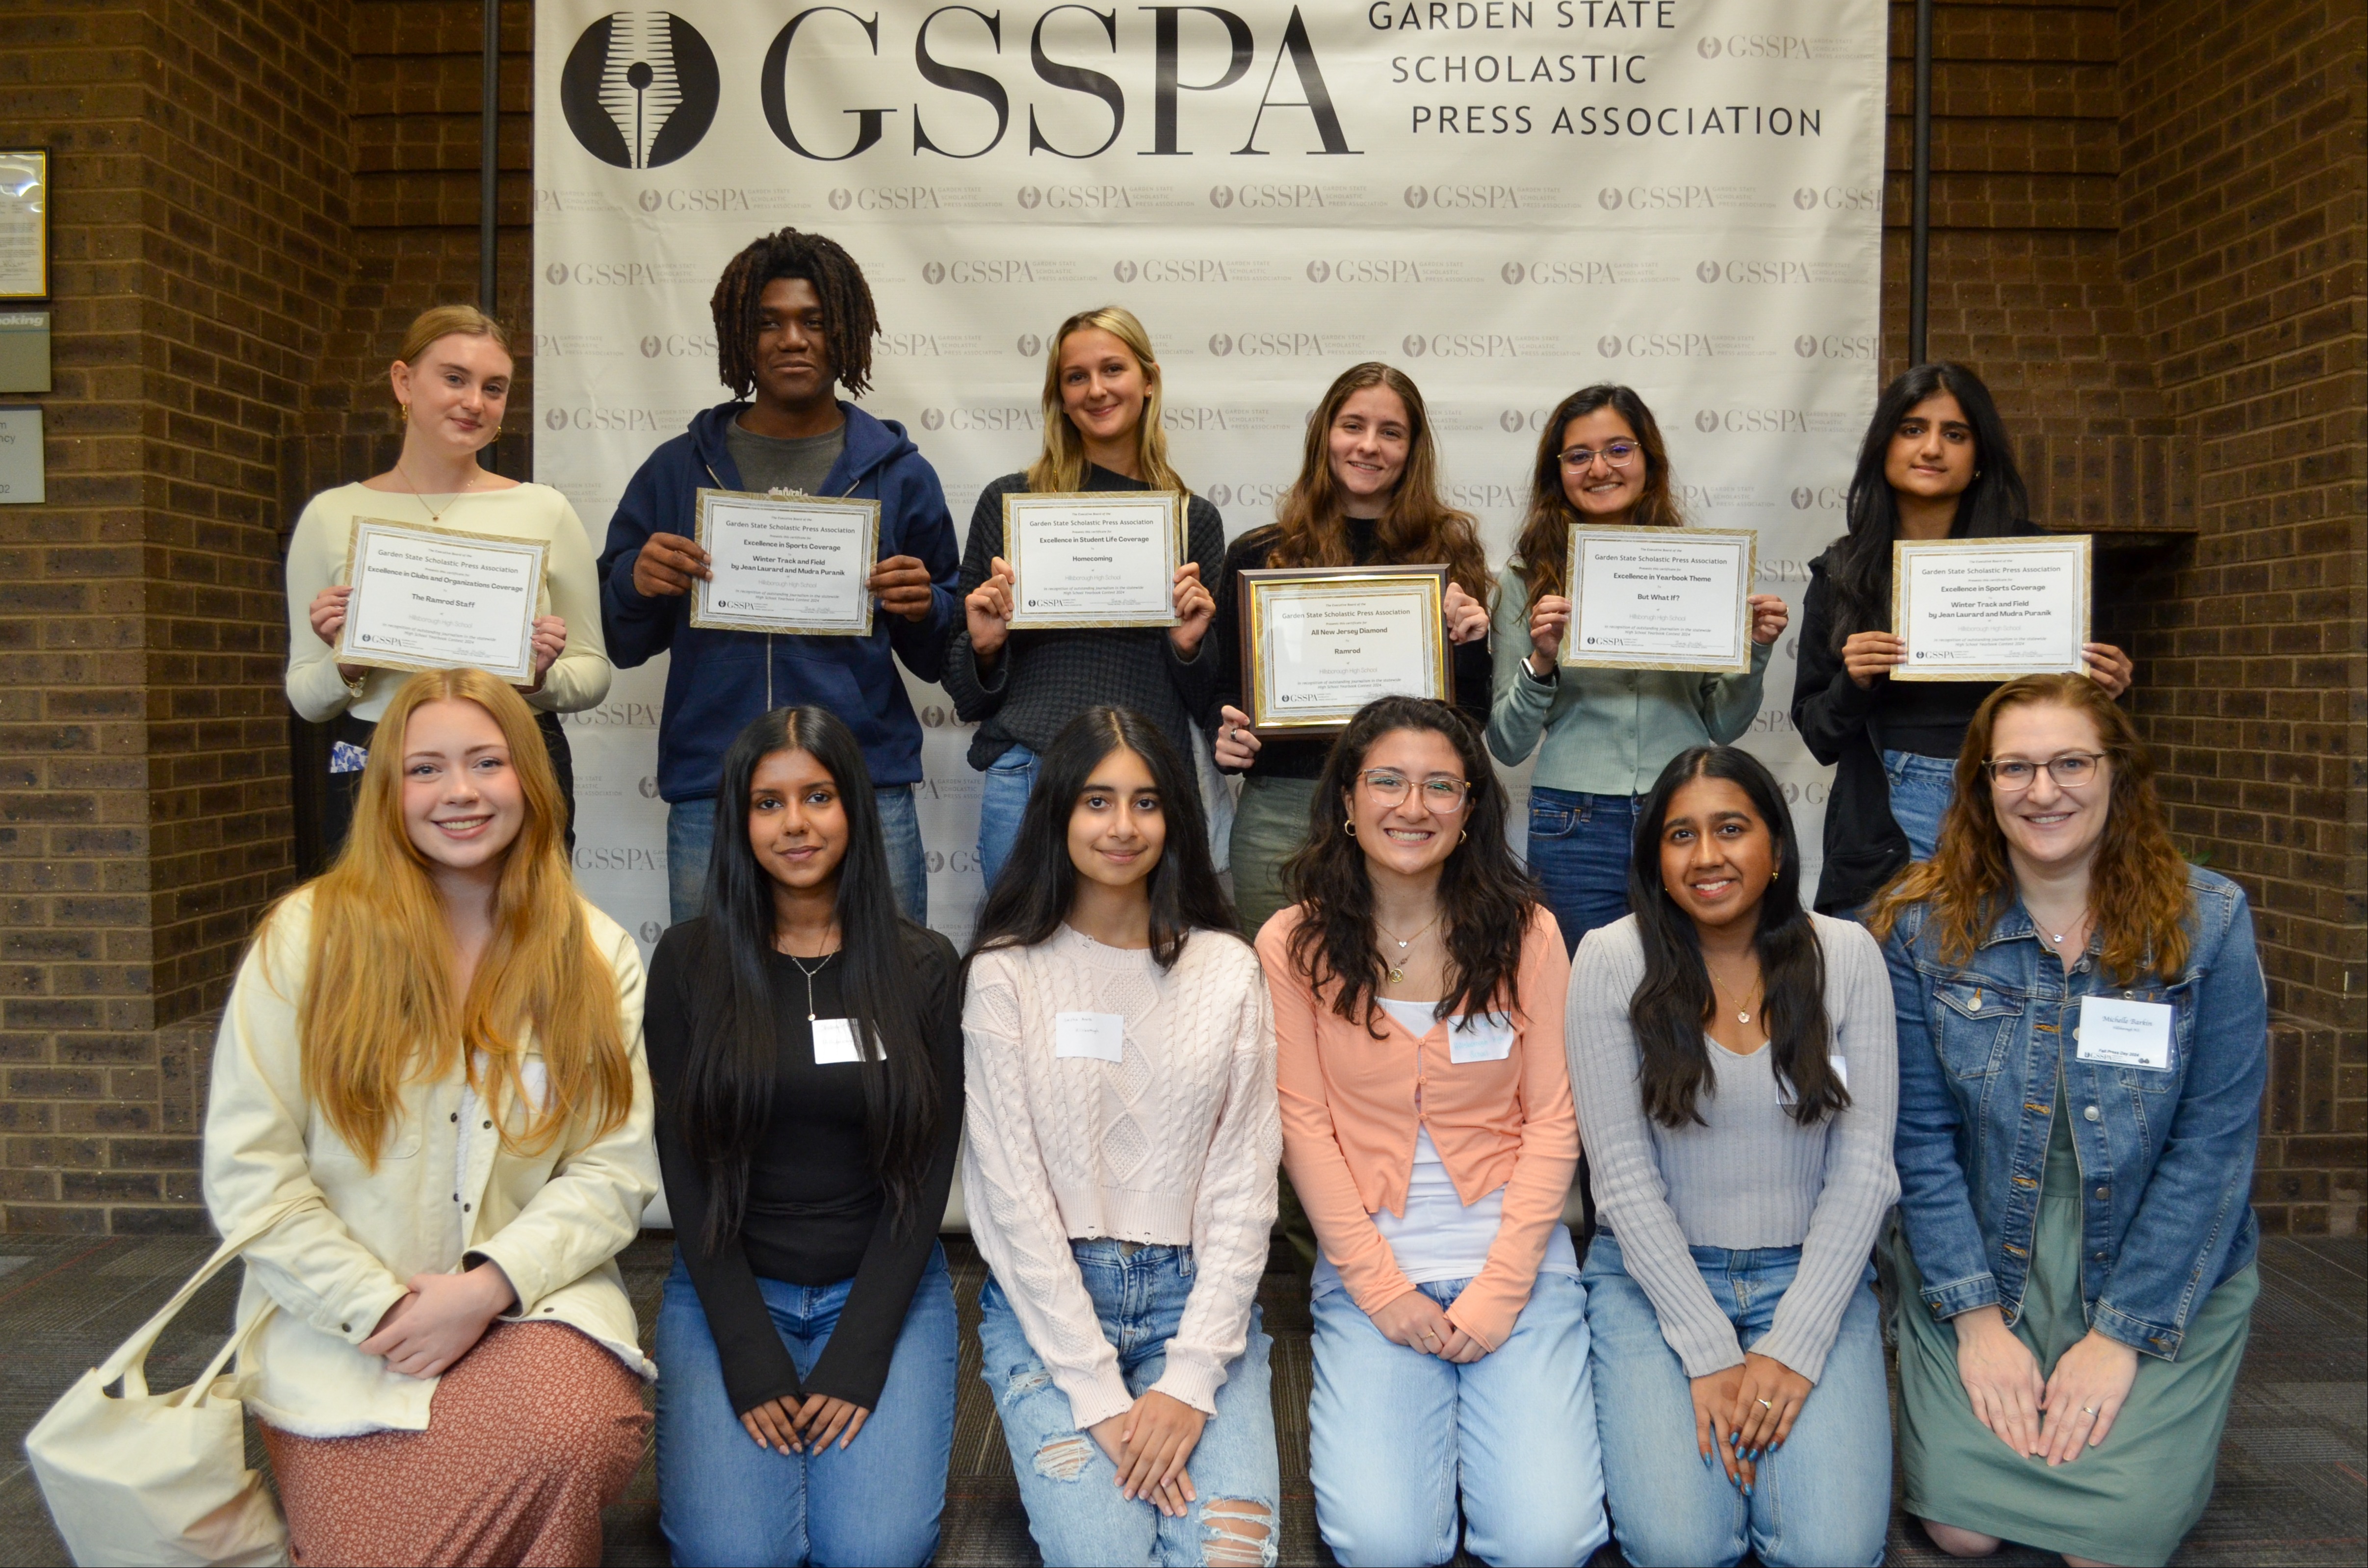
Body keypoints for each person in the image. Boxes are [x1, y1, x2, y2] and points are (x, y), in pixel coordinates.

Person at [202, 668, 656, 1567]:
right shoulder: (305, 938)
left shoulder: (596, 953)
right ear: (386, 790)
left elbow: (611, 1172)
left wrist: (485, 1287)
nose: (459, 793)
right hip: (345, 1330)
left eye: (487, 762)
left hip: (524, 1310)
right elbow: (252, 1174)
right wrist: (378, 1307)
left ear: (530, 777)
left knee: (574, 1431)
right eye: (425, 770)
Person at [1870, 673, 2265, 1568]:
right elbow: (1919, 1146)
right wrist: (1974, 1322)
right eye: (2013, 768)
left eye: (2069, 763)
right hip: (1978, 1247)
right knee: (1960, 1533)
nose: (2042, 790)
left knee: (2109, 1545)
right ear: (1979, 786)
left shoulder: (2207, 925)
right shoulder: (1921, 927)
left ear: (2117, 773)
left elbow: (2212, 1154)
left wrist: (2120, 1336)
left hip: (2153, 1253)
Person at [1262, 695, 1607, 1568]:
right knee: (1382, 1543)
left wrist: (1500, 1288)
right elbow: (1301, 1126)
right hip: (1373, 1270)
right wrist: (1381, 1288)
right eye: (1386, 781)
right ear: (1346, 799)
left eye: (1439, 787)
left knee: (1549, 1543)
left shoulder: (1528, 933)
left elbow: (1554, 1118)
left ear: (1469, 811)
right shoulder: (1291, 942)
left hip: (1515, 1262)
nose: (1411, 807)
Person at [962, 707, 1279, 1568]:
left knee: (1229, 1555)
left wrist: (1189, 1379)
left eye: (1145, 802)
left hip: (1195, 1295)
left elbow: (1245, 1186)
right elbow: (1009, 1199)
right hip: (1051, 1304)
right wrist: (1097, 1393)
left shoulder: (1227, 968)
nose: (1122, 826)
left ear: (1174, 816)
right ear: (1058, 813)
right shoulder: (1004, 974)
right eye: (1097, 801)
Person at [646, 706, 963, 1567]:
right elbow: (685, 1167)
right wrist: (746, 1350)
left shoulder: (925, 964)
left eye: (817, 796)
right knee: (730, 1555)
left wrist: (861, 1350)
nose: (795, 824)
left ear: (855, 808)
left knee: (875, 1552)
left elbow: (929, 1170)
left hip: (885, 1291)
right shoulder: (687, 962)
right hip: (732, 1290)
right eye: (768, 802)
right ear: (739, 822)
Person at [1567, 744, 1897, 1568]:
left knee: (1832, 1553)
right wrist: (1707, 1346)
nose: (1706, 856)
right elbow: (1619, 1178)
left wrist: (1794, 1341)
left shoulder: (1847, 955)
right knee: (1681, 1546)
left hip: (1811, 1276)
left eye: (1730, 829)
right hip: (1653, 1283)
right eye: (1680, 835)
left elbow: (1863, 1171)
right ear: (1654, 859)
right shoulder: (1611, 961)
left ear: (1776, 847)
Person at [597, 228, 961, 925]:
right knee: (716, 1000)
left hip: (863, 783)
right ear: (739, 336)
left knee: (889, 991)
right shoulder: (677, 470)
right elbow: (619, 641)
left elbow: (941, 655)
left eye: (814, 322)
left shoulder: (901, 474)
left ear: (846, 334)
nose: (792, 339)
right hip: (716, 786)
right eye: (769, 322)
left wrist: (927, 607)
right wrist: (634, 584)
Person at [1791, 362, 2134, 915]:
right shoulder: (1843, 571)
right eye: (1912, 429)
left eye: (1955, 434)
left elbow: (2076, 718)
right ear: (1883, 446)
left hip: (2013, 802)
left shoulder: (2038, 562)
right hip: (1886, 824)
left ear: (1980, 457)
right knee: (1885, 995)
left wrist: (2105, 690)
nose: (1932, 448)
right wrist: (1852, 683)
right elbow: (1819, 735)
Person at [287, 305, 608, 856]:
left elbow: (593, 672)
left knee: (522, 931)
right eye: (454, 378)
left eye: (494, 387)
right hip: (374, 760)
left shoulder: (544, 509)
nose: (474, 402)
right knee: (383, 932)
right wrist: (346, 661)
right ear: (404, 381)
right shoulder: (330, 515)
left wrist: (538, 681)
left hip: (517, 753)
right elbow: (305, 697)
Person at [1487, 385, 1790, 954]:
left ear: (1648, 460)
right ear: (1559, 473)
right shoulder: (1524, 581)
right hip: (1571, 820)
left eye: (1618, 450)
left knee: (1690, 986)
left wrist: (1753, 650)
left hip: (1681, 807)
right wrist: (1542, 659)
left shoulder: (1701, 568)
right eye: (1579, 456)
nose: (1599, 468)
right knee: (1581, 994)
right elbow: (1506, 744)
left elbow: (1723, 727)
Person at [943, 308, 1224, 888]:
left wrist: (1190, 648)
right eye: (1076, 377)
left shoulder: (1191, 519)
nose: (1096, 389)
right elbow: (967, 695)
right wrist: (986, 649)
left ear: (1148, 380)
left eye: (1113, 369)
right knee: (1020, 967)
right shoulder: (1009, 503)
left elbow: (1209, 704)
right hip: (1028, 773)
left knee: (1147, 970)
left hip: (1149, 785)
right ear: (1060, 397)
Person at [1212, 363, 1494, 941]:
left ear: (1412, 448)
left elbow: (1473, 717)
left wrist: (1471, 644)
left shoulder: (1448, 553)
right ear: (1324, 436)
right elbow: (1223, 688)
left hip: (1407, 809)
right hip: (1281, 812)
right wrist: (1228, 733)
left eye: (1391, 432)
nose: (1369, 446)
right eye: (1353, 425)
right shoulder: (1262, 555)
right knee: (1278, 991)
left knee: (1393, 988)